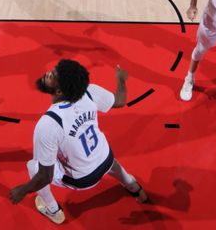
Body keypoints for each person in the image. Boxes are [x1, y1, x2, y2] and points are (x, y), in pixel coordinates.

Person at [9, 60, 148, 224]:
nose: (48, 73)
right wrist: (121, 81)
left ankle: (53, 210)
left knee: (33, 166)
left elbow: (45, 177)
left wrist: (23, 190)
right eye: (54, 70)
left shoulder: (48, 124)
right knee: (107, 160)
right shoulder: (88, 92)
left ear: (59, 91)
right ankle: (134, 187)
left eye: (53, 75)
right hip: (107, 158)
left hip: (82, 180)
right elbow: (120, 101)